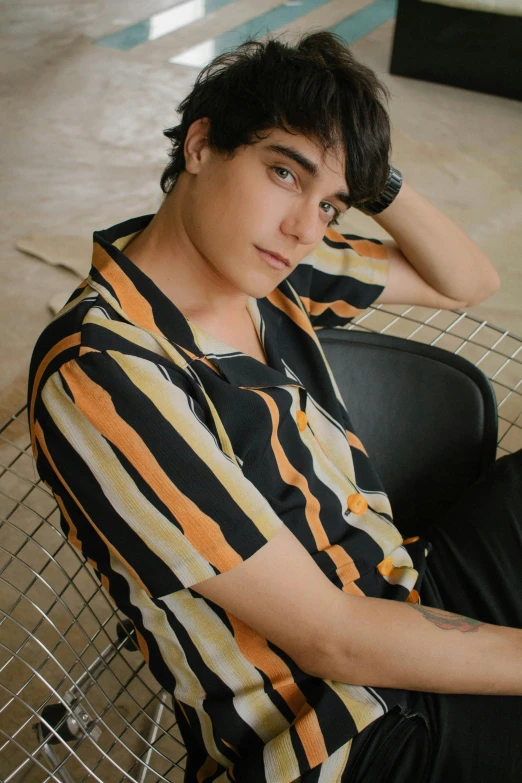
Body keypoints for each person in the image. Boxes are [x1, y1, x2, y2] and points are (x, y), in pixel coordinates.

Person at [26, 30, 522, 783]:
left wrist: (368, 174)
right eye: (285, 172)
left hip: (402, 584)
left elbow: (468, 279)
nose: (302, 228)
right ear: (200, 144)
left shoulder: (277, 269)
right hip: (338, 730)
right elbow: (333, 640)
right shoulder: (103, 371)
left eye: (330, 204)